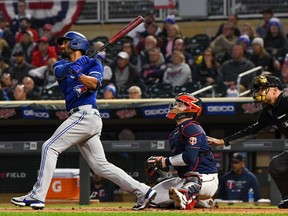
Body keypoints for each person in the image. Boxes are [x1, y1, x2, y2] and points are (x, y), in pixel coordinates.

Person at [11, 31, 156, 210]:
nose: (62, 46)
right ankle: (143, 190)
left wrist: (80, 74)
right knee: (100, 167)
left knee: (49, 147)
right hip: (81, 117)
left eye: (66, 42)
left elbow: (94, 84)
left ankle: (37, 196)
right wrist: (74, 66)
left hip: (86, 115)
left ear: (76, 44)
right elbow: (60, 70)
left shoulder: (94, 63)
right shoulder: (60, 64)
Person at [207, 74, 288, 209]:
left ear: (274, 90)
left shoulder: (286, 101)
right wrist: (224, 141)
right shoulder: (268, 111)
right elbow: (252, 130)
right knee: (276, 165)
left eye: (262, 88)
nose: (258, 92)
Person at [146, 93, 218, 209]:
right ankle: (198, 202)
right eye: (176, 104)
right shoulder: (176, 132)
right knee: (149, 198)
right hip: (183, 179)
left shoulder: (192, 127)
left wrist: (166, 161)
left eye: (180, 105)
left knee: (193, 178)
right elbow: (177, 162)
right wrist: (160, 165)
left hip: (206, 178)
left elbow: (189, 158)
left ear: (190, 109)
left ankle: (187, 196)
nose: (175, 106)